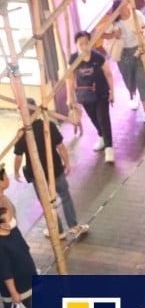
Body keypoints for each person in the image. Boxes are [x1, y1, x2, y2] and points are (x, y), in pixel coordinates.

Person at [14, 99, 89, 241]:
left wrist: (16, 171)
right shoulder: (48, 126)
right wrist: (67, 163)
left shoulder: (23, 133)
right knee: (65, 196)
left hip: (37, 174)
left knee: (47, 204)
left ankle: (57, 231)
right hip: (56, 168)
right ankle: (73, 226)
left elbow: (18, 156)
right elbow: (61, 147)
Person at [0, 166, 35, 308]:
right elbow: (6, 273)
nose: (12, 217)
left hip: (27, 281)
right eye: (8, 217)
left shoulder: (13, 232)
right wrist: (13, 293)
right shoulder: (2, 246)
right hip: (15, 289)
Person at [104, 0, 145, 125]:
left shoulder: (137, 14)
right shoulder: (114, 21)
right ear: (117, 11)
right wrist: (114, 35)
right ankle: (133, 95)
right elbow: (102, 34)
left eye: (127, 5)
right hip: (123, 53)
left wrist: (142, 31)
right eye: (123, 8)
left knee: (142, 78)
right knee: (128, 78)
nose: (127, 9)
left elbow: (144, 28)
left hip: (139, 50)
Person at [67, 30, 115, 164]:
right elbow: (69, 79)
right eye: (80, 44)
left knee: (103, 118)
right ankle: (101, 136)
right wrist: (69, 97)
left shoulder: (98, 57)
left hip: (101, 93)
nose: (83, 46)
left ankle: (109, 148)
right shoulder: (73, 59)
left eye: (86, 43)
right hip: (84, 94)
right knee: (93, 118)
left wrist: (112, 92)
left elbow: (108, 73)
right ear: (76, 45)